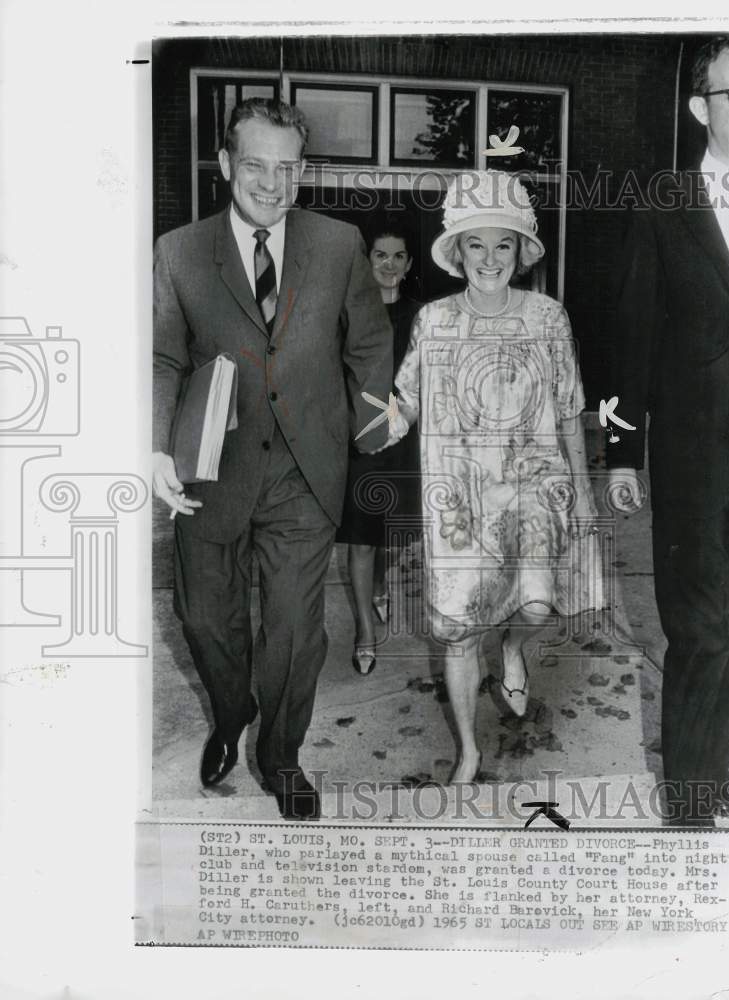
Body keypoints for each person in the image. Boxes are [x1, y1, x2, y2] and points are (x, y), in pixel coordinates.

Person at [152, 98, 395, 820]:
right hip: (210, 468)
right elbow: (162, 355)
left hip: (303, 470)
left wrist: (374, 425)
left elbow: (370, 343)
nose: (270, 181)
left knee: (292, 630)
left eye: (286, 167)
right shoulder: (180, 252)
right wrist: (155, 446)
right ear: (226, 164)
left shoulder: (338, 244)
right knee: (204, 620)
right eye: (254, 163)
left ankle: (280, 755)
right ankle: (231, 713)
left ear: (301, 172)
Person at [607, 36, 729, 825]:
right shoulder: (662, 202)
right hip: (691, 453)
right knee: (699, 628)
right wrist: (620, 448)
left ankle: (708, 765)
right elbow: (630, 330)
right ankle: (684, 797)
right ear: (698, 108)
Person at [394, 170, 602, 783]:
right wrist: (385, 418)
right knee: (457, 629)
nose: (489, 258)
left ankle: (511, 649)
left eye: (502, 244)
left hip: (533, 489)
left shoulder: (548, 317)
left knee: (536, 606)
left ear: (521, 252)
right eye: (475, 244)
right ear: (457, 253)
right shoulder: (432, 322)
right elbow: (405, 399)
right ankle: (469, 752)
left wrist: (585, 494)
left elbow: (569, 408)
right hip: (457, 497)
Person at [337, 215, 422, 675]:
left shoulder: (421, 316)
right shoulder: (349, 313)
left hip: (405, 438)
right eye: (380, 254)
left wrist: (405, 419)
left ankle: (379, 587)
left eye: (398, 256)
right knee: (361, 536)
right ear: (367, 260)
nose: (389, 264)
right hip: (362, 439)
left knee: (391, 531)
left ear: (408, 264)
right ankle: (366, 632)